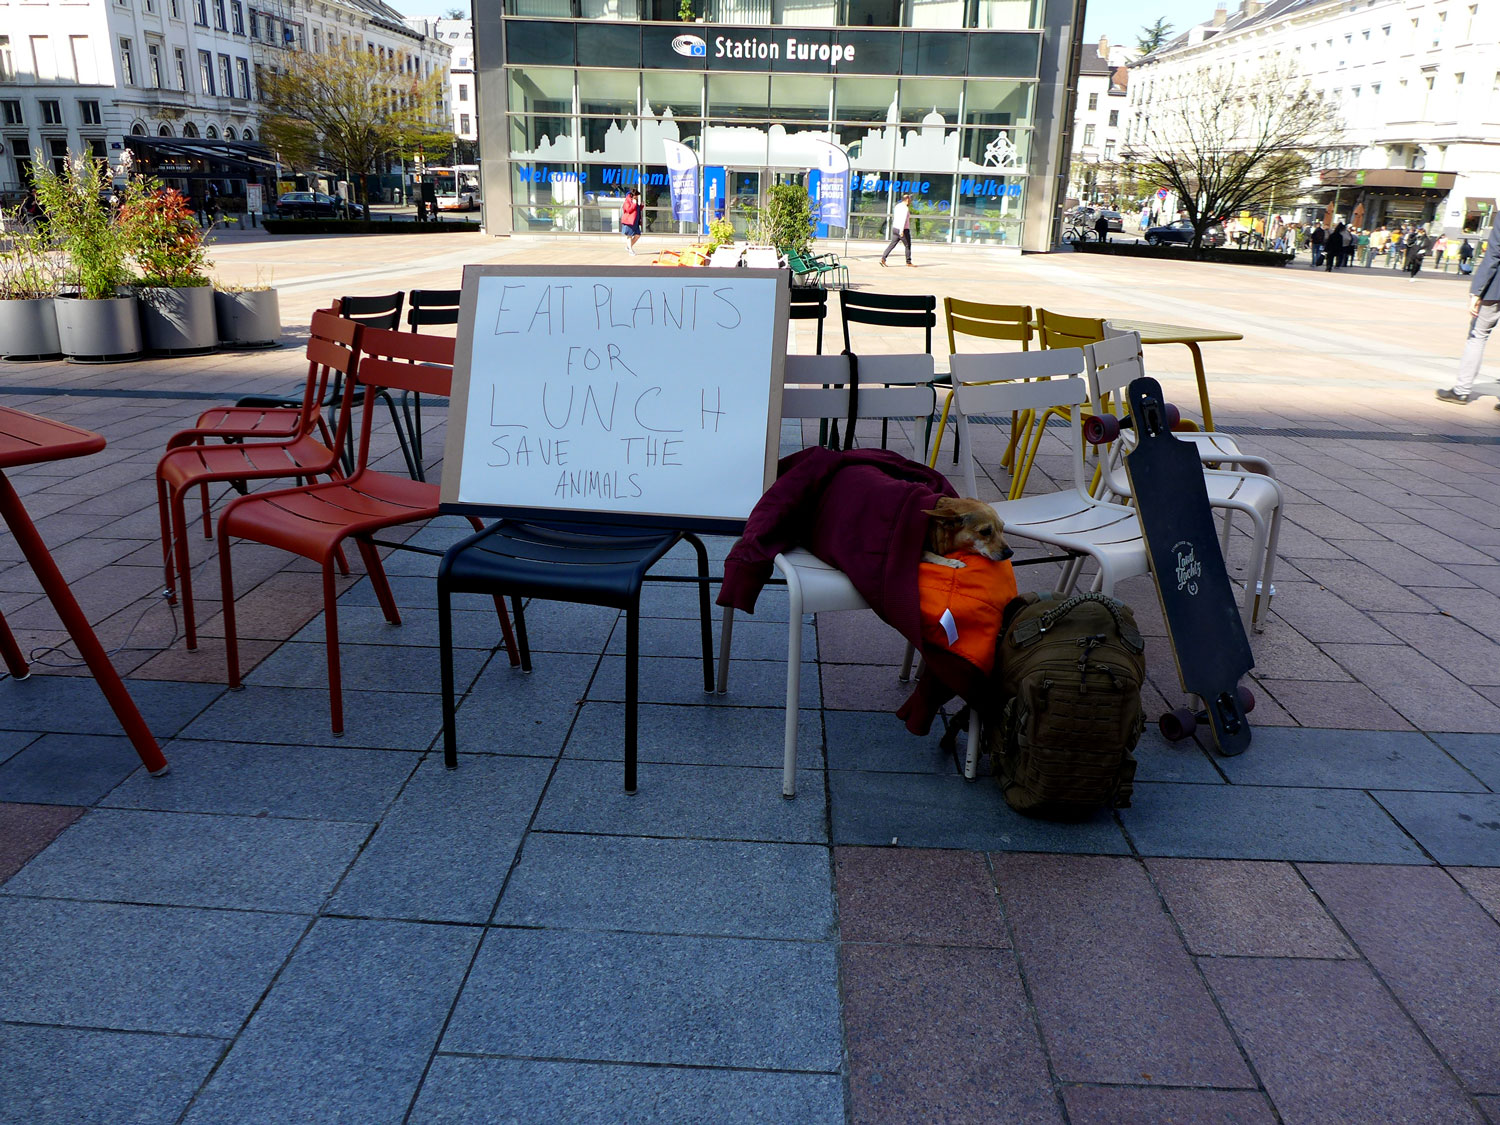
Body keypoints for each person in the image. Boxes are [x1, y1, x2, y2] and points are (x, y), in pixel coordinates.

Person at [1435, 209, 1500, 404]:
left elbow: (1494, 254)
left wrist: (1477, 291)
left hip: (1496, 289)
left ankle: (1462, 390)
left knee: (1478, 335)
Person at [880, 193, 914, 267]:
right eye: (910, 200)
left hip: (895, 228)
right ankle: (908, 262)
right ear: (907, 200)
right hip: (903, 230)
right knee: (908, 245)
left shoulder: (897, 206)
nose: (910, 201)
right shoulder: (905, 208)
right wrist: (901, 231)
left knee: (892, 244)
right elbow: (903, 220)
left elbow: (896, 218)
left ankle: (883, 258)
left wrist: (896, 228)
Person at [620, 188, 641, 255]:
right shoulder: (627, 201)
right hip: (629, 222)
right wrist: (634, 204)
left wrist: (641, 206)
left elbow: (636, 210)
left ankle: (628, 247)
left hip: (635, 222)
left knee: (637, 235)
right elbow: (628, 210)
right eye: (636, 196)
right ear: (633, 195)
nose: (637, 197)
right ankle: (630, 250)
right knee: (629, 235)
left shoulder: (634, 201)